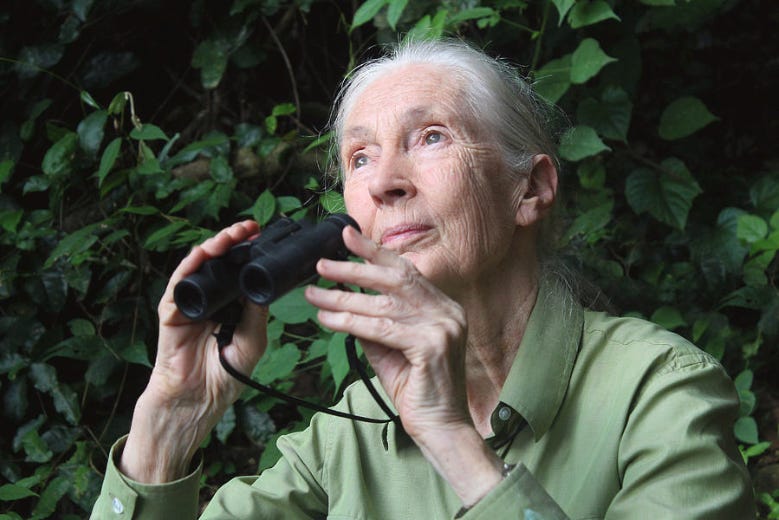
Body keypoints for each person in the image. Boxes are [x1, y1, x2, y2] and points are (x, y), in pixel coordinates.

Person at [90, 39, 755, 519]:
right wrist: (172, 418)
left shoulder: (658, 390)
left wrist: (452, 440)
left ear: (530, 188)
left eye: (431, 136)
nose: (384, 181)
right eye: (359, 157)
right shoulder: (347, 434)